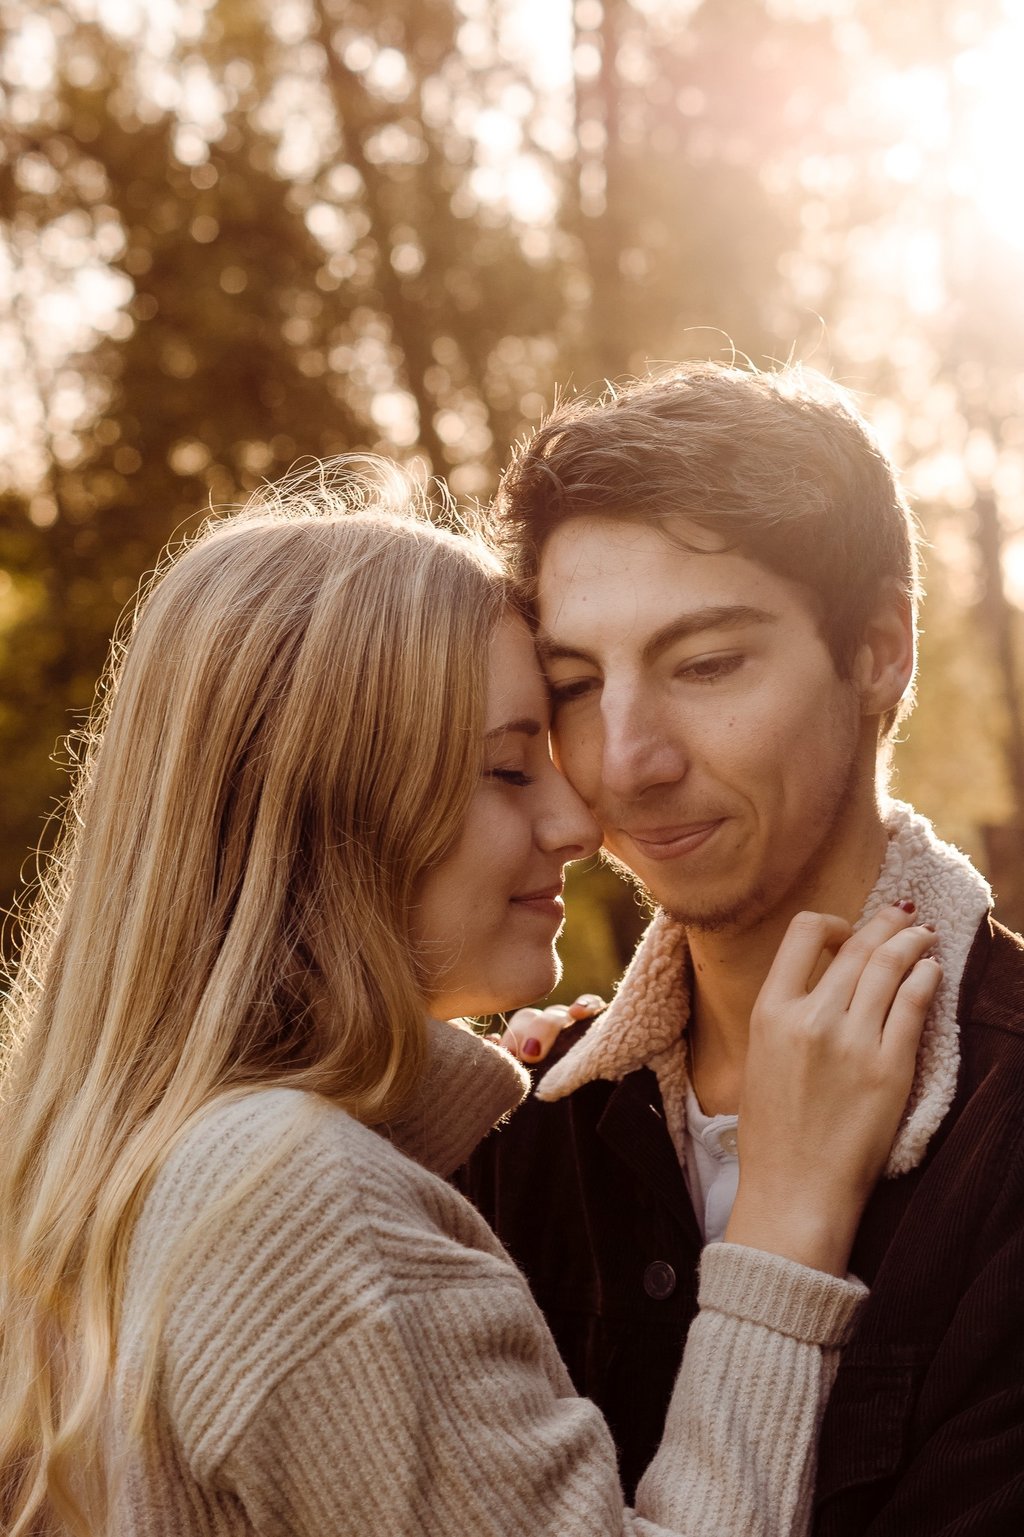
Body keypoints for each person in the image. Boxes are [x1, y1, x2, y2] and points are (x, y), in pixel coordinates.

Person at [0, 461, 939, 1537]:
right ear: (333, 810)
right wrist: (784, 1217)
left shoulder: (130, 1168)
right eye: (506, 770)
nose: (577, 823)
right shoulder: (300, 1206)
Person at [458, 362, 1024, 1536]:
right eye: (574, 683)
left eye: (706, 664)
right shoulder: (511, 1130)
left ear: (877, 649)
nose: (625, 761)